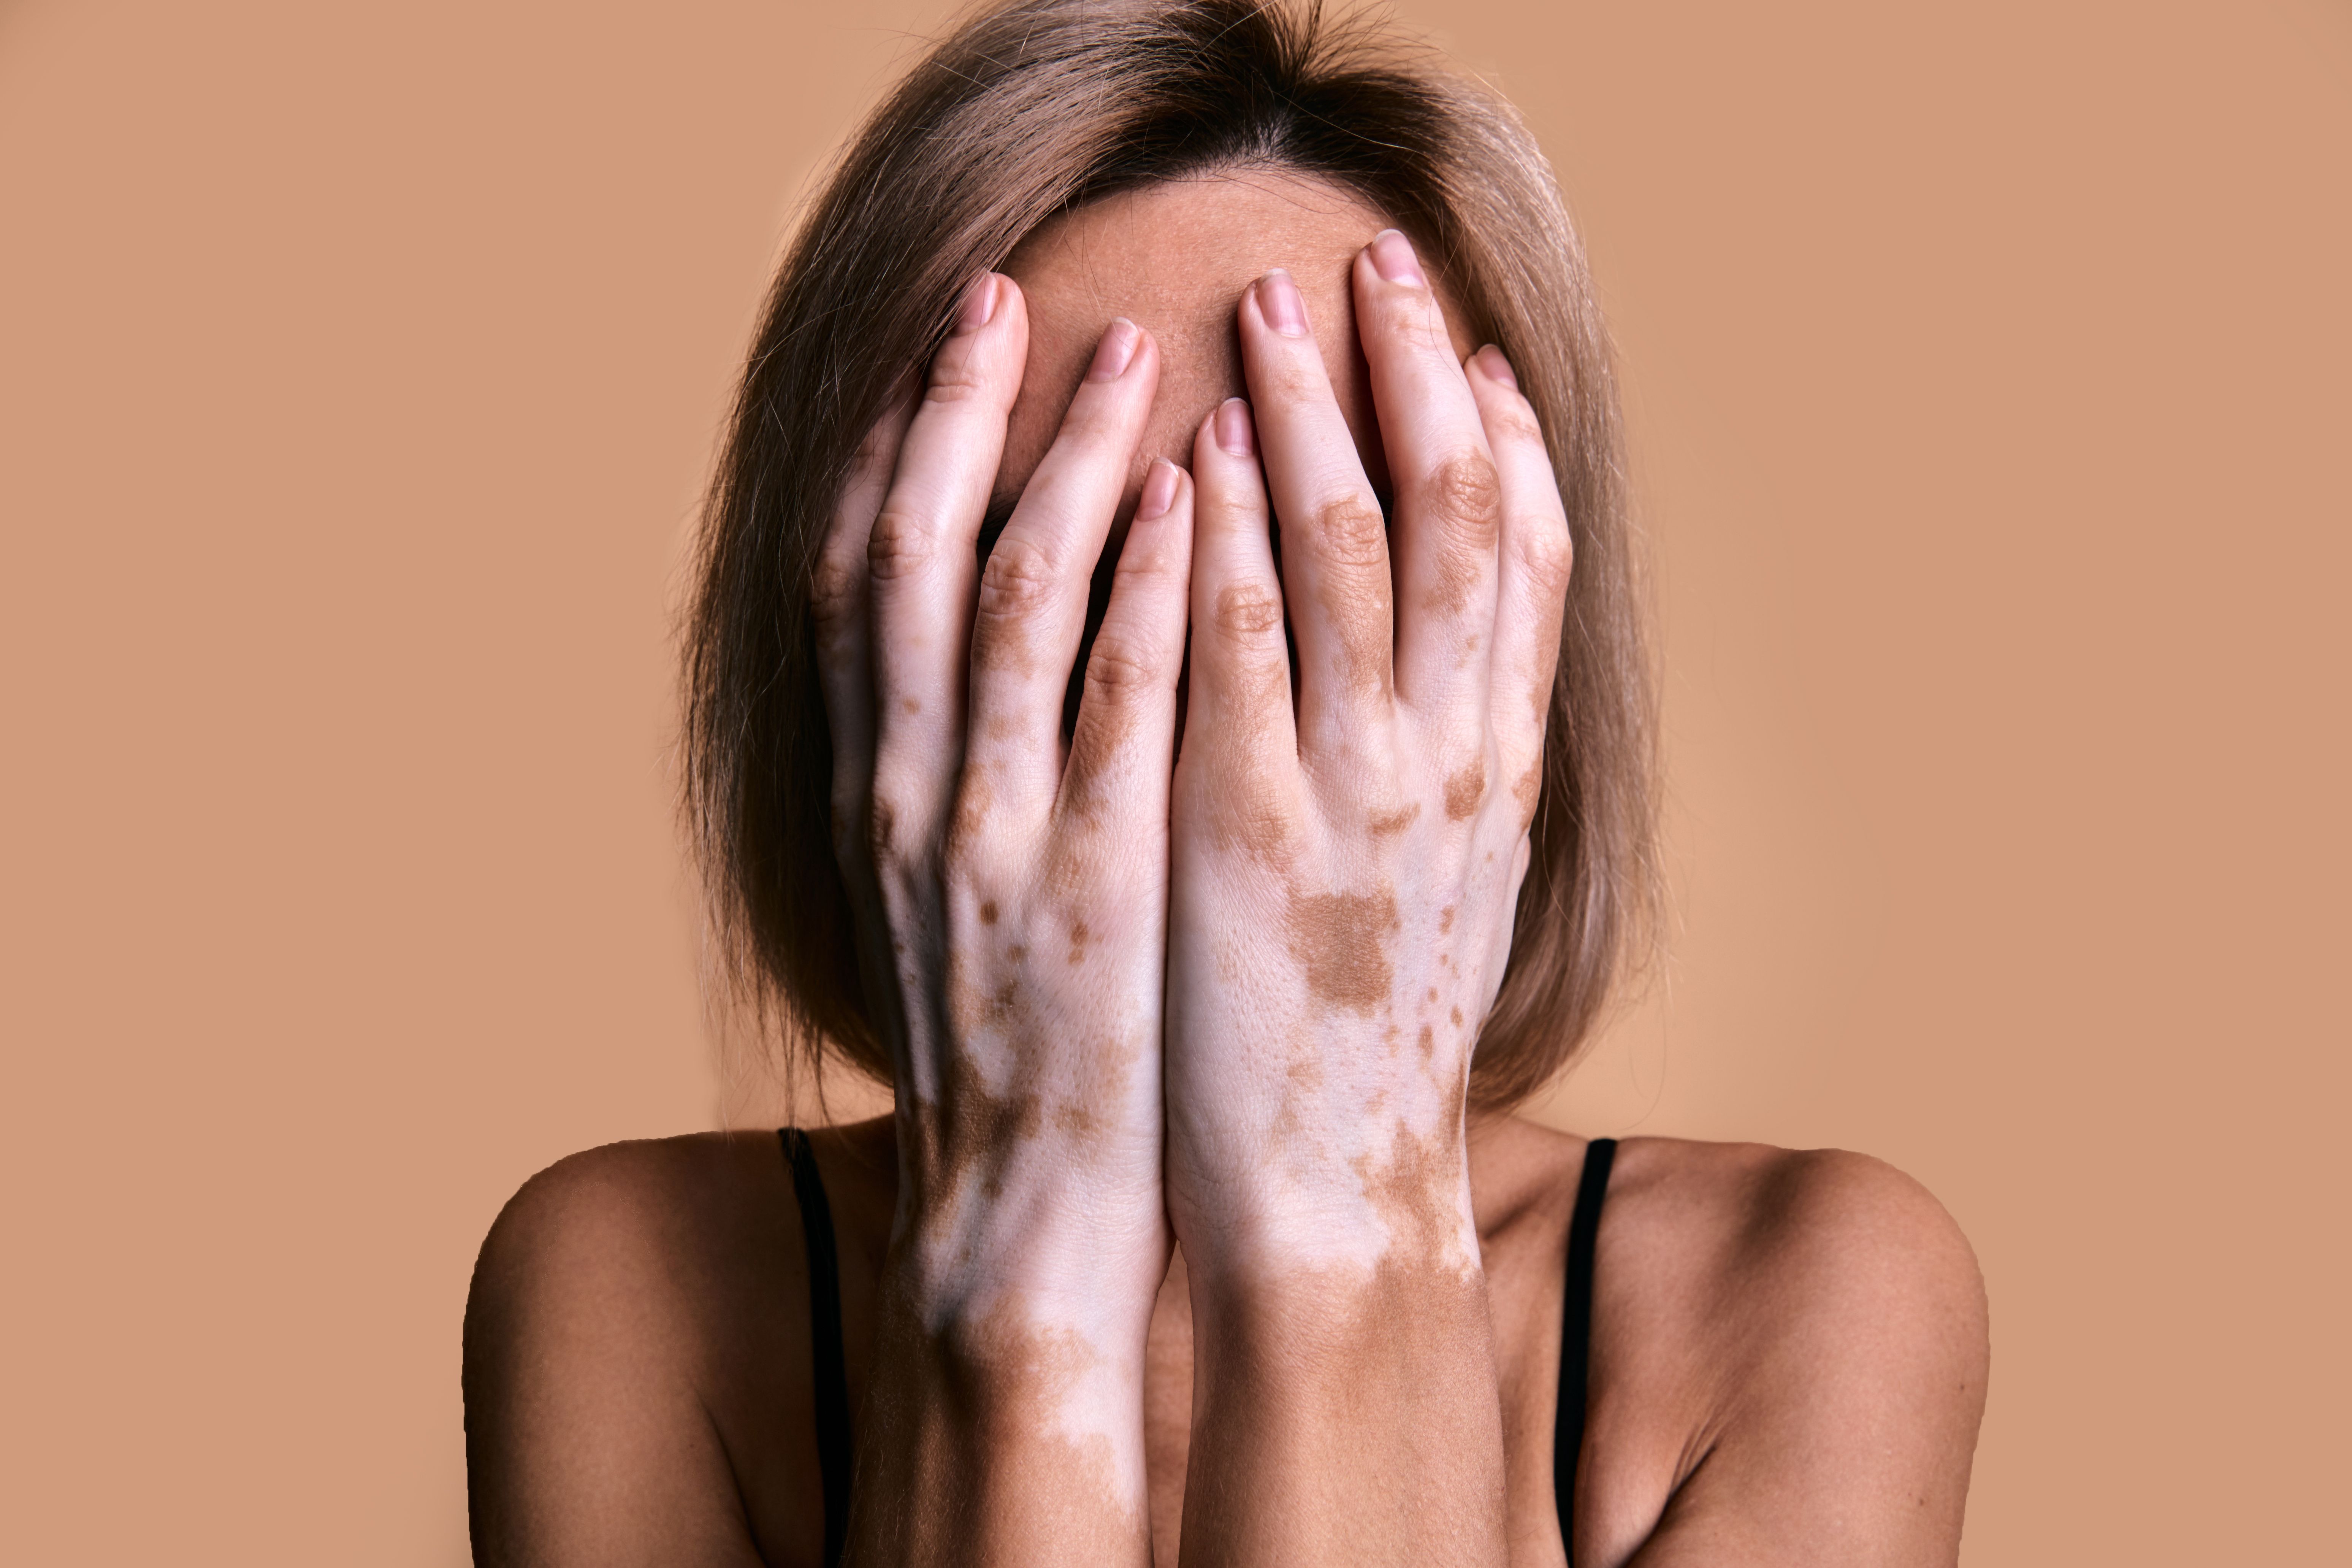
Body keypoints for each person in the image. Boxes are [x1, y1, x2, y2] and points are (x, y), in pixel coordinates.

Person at [461, 2, 1990, 1563]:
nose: (1194, 678)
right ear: (868, 648)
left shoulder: (1801, 1304)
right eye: (1053, 563)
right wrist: (1018, 1274)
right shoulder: (628, 1293)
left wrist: (1346, 1226)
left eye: (1326, 547)